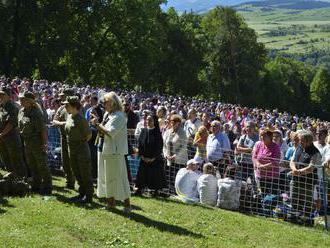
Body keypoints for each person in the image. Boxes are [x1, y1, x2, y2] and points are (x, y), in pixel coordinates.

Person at [92, 92, 131, 212]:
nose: (103, 104)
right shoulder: (108, 114)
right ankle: (110, 204)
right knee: (106, 177)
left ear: (113, 102)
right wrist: (98, 124)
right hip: (103, 148)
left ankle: (127, 205)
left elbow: (110, 132)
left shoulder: (120, 116)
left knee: (120, 177)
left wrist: (97, 124)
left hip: (115, 151)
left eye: (106, 101)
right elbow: (103, 131)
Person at [18, 91, 52, 195]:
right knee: (32, 164)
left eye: (23, 99)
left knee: (42, 165)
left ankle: (47, 187)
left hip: (37, 142)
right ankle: (36, 185)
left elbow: (42, 130)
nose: (21, 101)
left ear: (29, 101)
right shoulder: (21, 111)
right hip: (27, 142)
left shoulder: (36, 113)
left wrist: (44, 143)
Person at [63, 96, 93, 203]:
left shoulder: (81, 119)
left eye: (67, 105)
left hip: (81, 149)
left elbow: (89, 135)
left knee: (85, 173)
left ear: (74, 106)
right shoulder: (69, 117)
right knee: (76, 171)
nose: (65, 107)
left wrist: (80, 142)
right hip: (72, 148)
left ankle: (88, 196)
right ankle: (81, 193)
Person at [290, 130, 321, 223]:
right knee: (294, 198)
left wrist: (298, 172)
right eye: (300, 140)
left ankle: (307, 220)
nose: (300, 142)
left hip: (308, 182)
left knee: (307, 202)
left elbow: (311, 168)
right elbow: (292, 160)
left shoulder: (315, 153)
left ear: (309, 141)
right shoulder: (299, 147)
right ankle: (295, 218)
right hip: (296, 179)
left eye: (302, 141)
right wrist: (294, 169)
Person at [134, 115, 167, 196]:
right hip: (144, 158)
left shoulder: (157, 132)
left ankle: (155, 191)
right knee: (142, 175)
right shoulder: (143, 131)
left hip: (155, 159)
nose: (148, 122)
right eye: (147, 120)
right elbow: (140, 144)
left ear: (154, 121)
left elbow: (159, 146)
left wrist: (153, 158)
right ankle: (139, 190)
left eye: (150, 120)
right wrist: (142, 156)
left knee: (155, 175)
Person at [0, 86, 27, 177]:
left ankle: (22, 180)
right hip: (3, 138)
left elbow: (12, 123)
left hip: (11, 138)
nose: (1, 96)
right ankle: (12, 180)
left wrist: (2, 134)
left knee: (16, 159)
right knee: (6, 158)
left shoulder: (11, 107)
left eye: (3, 95)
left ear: (8, 95)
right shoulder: (2, 106)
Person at [53, 88, 75, 189]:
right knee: (65, 160)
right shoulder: (61, 108)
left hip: (74, 138)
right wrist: (62, 123)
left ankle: (79, 183)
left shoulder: (76, 107)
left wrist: (63, 123)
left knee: (74, 161)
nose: (61, 97)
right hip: (63, 137)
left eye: (63, 95)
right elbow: (54, 120)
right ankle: (69, 182)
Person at [163, 114, 188, 194]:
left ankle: (176, 192)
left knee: (176, 177)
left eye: (175, 122)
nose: (172, 123)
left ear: (179, 123)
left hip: (179, 160)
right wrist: (166, 155)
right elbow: (164, 145)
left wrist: (175, 155)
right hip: (168, 159)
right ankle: (168, 191)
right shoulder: (167, 132)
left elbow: (184, 146)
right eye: (171, 121)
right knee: (168, 175)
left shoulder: (182, 133)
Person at [252, 129, 281, 195]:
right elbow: (254, 156)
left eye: (264, 136)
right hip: (261, 175)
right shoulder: (259, 144)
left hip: (272, 176)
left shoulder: (275, 147)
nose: (262, 137)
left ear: (270, 137)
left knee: (273, 195)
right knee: (263, 193)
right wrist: (258, 164)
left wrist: (263, 166)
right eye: (261, 136)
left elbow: (276, 161)